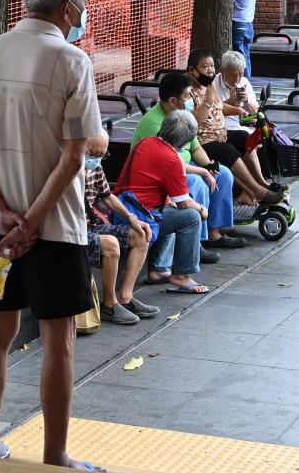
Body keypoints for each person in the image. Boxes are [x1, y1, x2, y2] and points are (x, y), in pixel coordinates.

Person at [0, 0, 105, 471]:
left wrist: (3, 213)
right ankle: (54, 456)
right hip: (56, 229)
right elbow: (75, 155)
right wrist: (34, 221)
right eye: (80, 10)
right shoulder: (71, 60)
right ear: (68, 8)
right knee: (59, 341)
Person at [131, 72, 244, 257]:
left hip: (183, 164)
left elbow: (195, 147)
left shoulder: (182, 116)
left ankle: (214, 233)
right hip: (160, 173)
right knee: (197, 183)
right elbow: (168, 163)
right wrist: (202, 172)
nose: (191, 99)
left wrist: (208, 166)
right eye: (187, 96)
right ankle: (196, 243)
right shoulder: (154, 124)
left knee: (222, 173)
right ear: (173, 101)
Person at [116, 110, 211, 295]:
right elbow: (184, 203)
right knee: (190, 217)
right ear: (185, 141)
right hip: (140, 216)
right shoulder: (172, 158)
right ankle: (182, 275)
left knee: (170, 207)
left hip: (123, 207)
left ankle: (158, 268)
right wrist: (201, 208)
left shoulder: (146, 142)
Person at [184, 48, 286, 205]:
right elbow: (191, 122)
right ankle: (257, 192)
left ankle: (261, 183)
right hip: (201, 141)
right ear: (192, 70)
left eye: (212, 65)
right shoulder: (186, 90)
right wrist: (208, 101)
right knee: (227, 150)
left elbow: (219, 107)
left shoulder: (206, 86)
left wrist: (238, 110)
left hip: (220, 134)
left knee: (245, 138)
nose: (210, 70)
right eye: (205, 66)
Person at [83, 131, 159, 326]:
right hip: (73, 232)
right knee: (111, 244)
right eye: (93, 153)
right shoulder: (69, 170)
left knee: (141, 235)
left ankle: (125, 296)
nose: (97, 159)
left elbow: (107, 196)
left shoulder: (96, 167)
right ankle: (109, 304)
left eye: (102, 155)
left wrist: (132, 218)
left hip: (91, 226)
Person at [232, 0, 257, 78]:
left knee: (240, 57)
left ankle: (245, 83)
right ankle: (247, 82)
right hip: (247, 24)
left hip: (238, 23)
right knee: (245, 55)